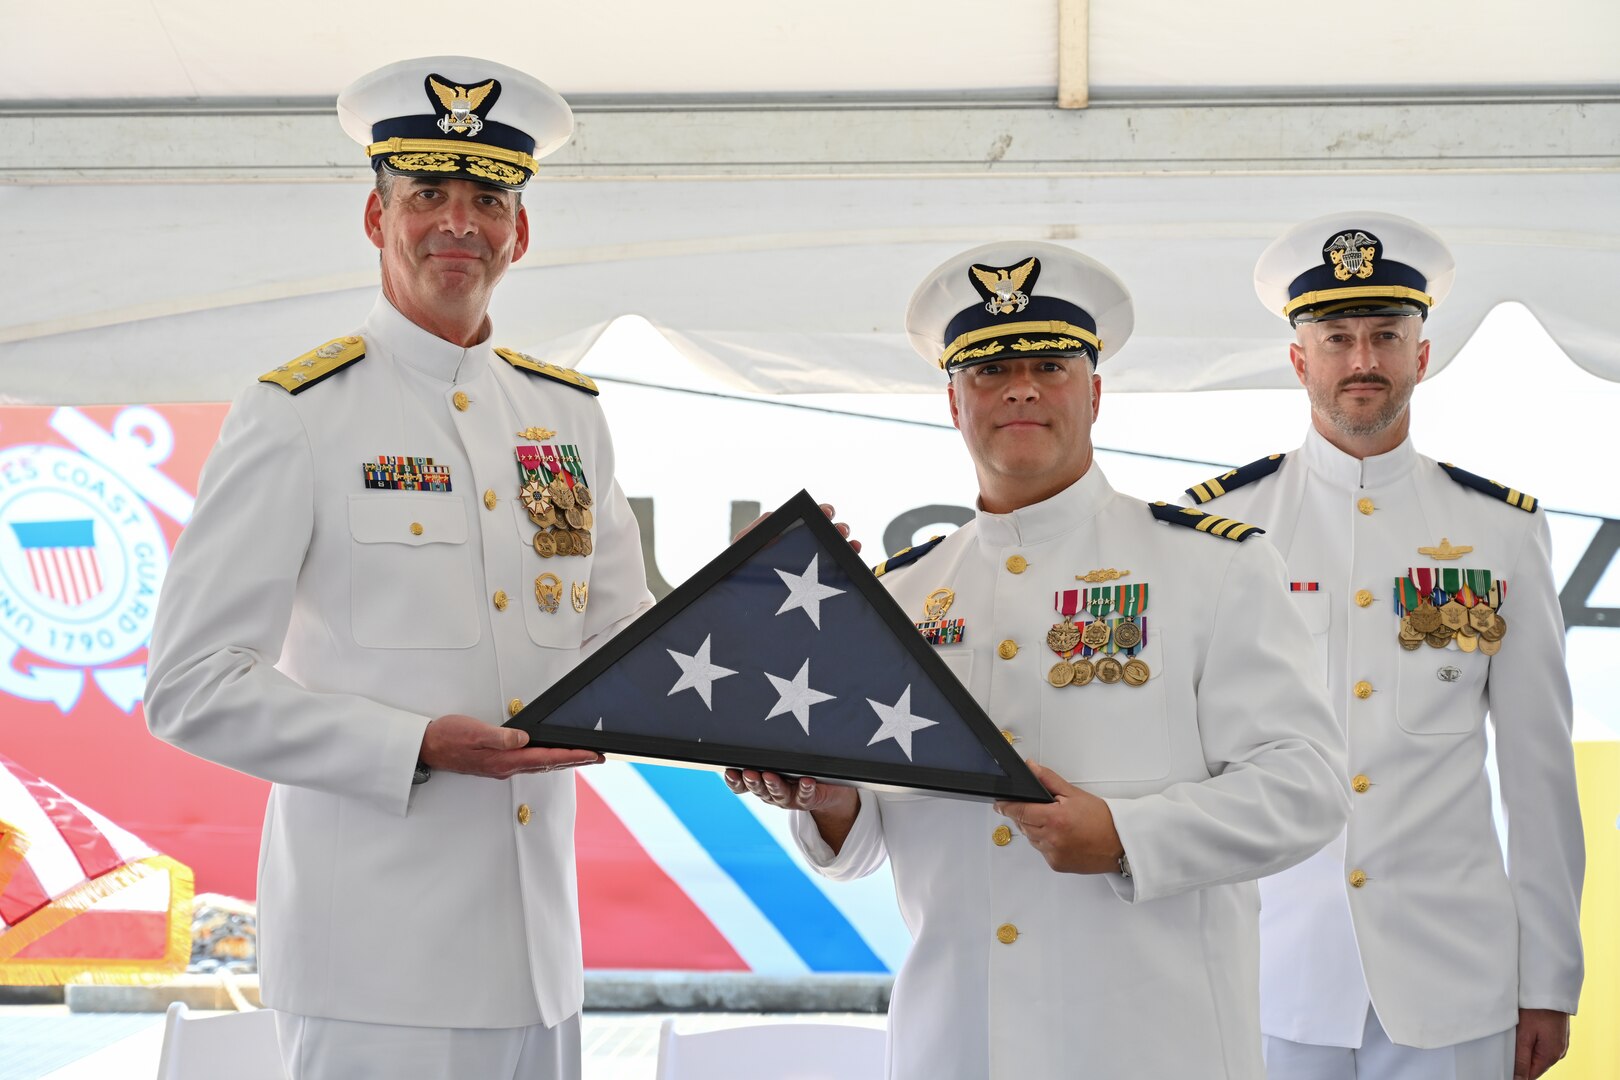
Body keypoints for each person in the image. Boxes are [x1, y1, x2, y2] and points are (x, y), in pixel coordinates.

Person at [726, 241, 1350, 1078]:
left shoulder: (1212, 566)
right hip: (958, 1045)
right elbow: (873, 837)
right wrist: (829, 798)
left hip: (1150, 1047)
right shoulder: (902, 595)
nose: (1020, 386)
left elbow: (1306, 786)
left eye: (1050, 364)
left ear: (1094, 393)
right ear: (954, 403)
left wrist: (1128, 836)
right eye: (989, 370)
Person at [144, 57, 654, 1079]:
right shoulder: (299, 412)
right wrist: (416, 744)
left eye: (487, 199)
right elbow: (188, 688)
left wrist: (771, 598)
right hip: (373, 966)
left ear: (521, 231)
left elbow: (623, 643)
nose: (458, 223)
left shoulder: (566, 417)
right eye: (428, 195)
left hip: (540, 961)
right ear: (378, 220)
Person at [1179, 210, 1584, 1080]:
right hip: (1270, 976)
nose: (1362, 360)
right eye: (1338, 337)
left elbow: (1539, 772)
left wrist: (1548, 978)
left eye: (1385, 336)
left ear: (1422, 355)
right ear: (1299, 359)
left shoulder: (1498, 533)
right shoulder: (1220, 528)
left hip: (1456, 983)